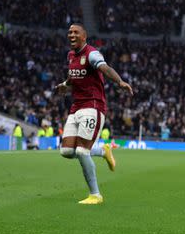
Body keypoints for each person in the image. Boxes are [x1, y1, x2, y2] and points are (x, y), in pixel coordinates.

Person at [55, 23, 133, 205]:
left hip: (93, 106)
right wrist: (65, 86)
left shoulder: (92, 53)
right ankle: (103, 151)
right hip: (76, 108)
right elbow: (73, 77)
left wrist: (119, 81)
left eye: (75, 32)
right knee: (66, 151)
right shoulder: (71, 56)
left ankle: (95, 195)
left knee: (82, 151)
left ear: (84, 36)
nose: (71, 35)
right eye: (69, 32)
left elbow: (105, 68)